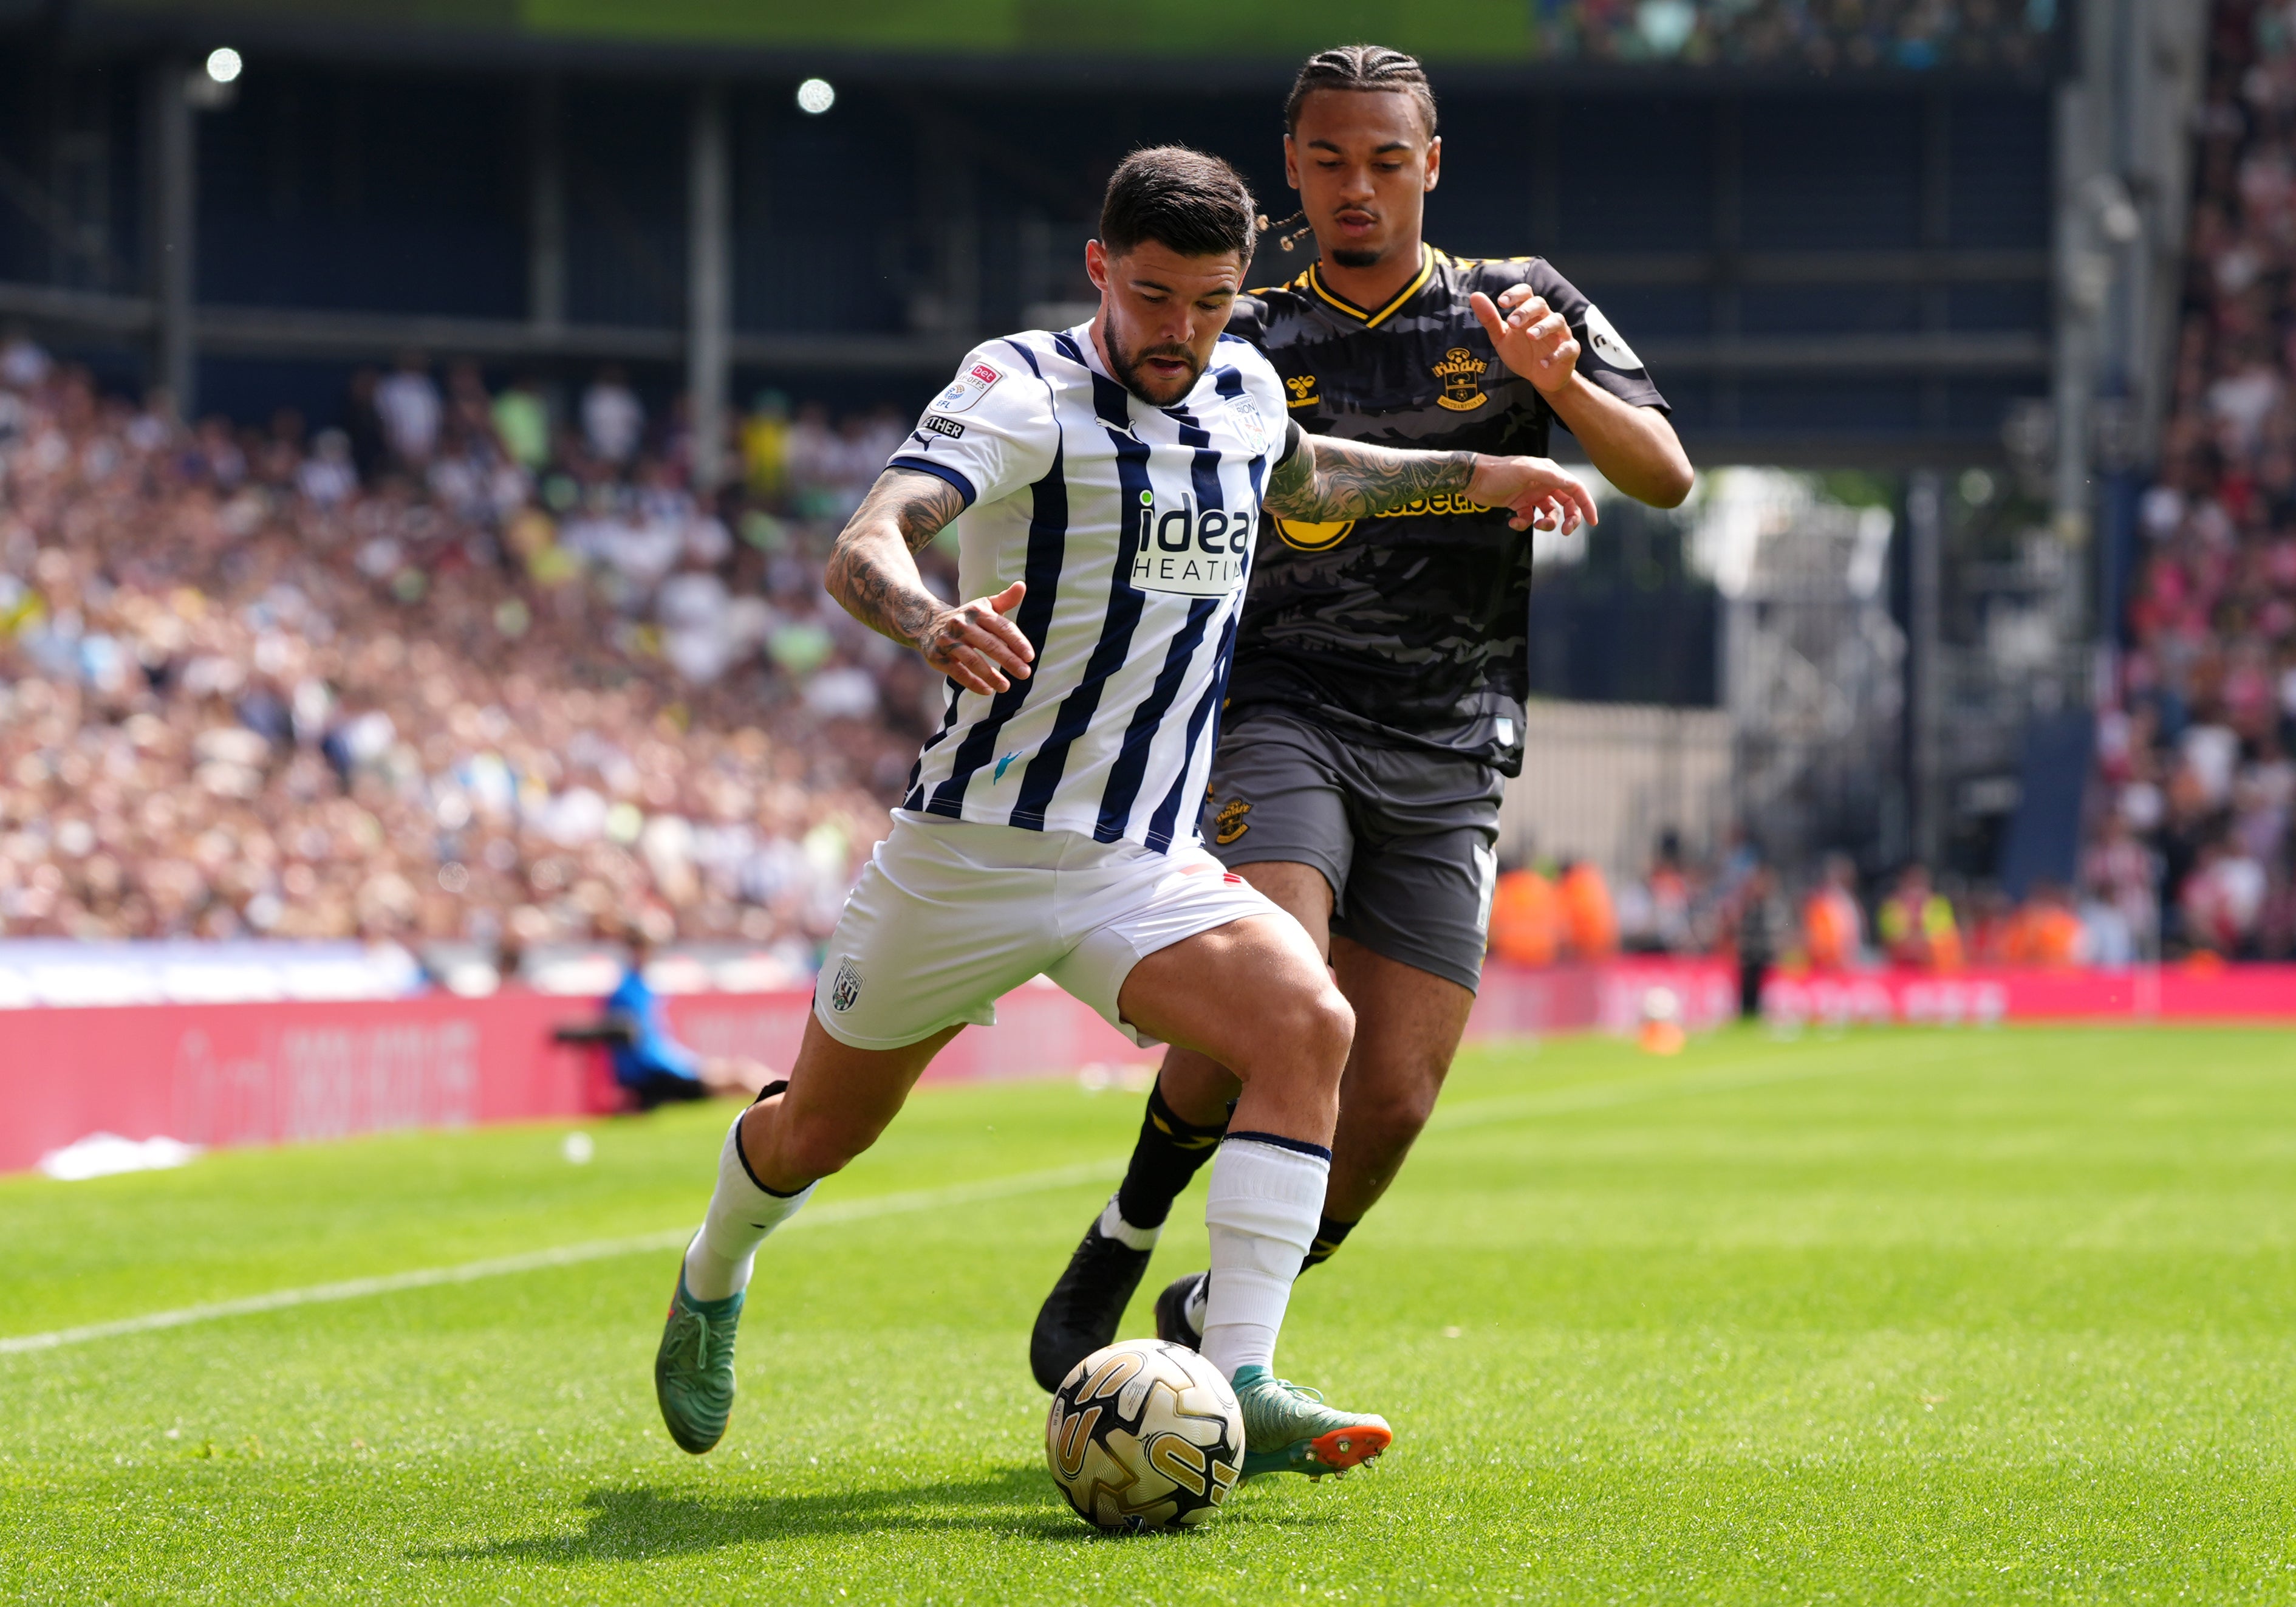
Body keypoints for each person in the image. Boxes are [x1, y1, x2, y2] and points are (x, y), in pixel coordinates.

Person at [651, 146, 1597, 1478]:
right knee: (820, 1128)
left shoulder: (1246, 387)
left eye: (1211, 302)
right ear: (1101, 268)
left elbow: (1314, 478)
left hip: (1139, 863)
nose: (1182, 331)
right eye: (1154, 298)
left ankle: (1246, 1373)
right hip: (969, 853)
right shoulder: (1021, 387)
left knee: (1307, 1021)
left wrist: (1481, 480)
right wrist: (931, 617)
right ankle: (712, 1269)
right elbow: (869, 534)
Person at [1030, 44, 1693, 1387]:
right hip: (1282, 702)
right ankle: (1132, 1227)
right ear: (1291, 167)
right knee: (1278, 982)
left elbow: (1667, 477)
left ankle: (1221, 1300)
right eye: (1329, 159)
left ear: (1431, 165)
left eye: (1387, 160)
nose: (1358, 187)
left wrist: (1555, 383)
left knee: (1389, 1101)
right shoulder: (1249, 327)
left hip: (1455, 737)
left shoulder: (1524, 303)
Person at [602, 933, 771, 1109]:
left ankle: (786, 1094)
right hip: (658, 1076)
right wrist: (689, 1068)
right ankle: (787, 1095)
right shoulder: (627, 992)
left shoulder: (640, 988)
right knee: (740, 1077)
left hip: (666, 1070)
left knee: (739, 1073)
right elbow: (648, 1051)